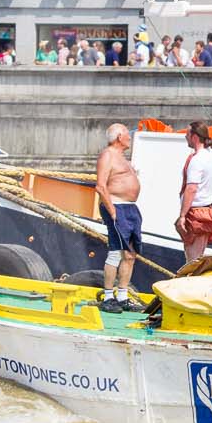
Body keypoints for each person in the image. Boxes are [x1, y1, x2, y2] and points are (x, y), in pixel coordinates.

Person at [95, 123, 144, 309]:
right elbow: (100, 185)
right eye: (127, 134)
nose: (130, 138)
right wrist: (112, 210)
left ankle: (123, 296)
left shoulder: (122, 157)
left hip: (130, 208)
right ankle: (108, 296)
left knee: (130, 254)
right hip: (117, 206)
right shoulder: (107, 155)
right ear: (118, 137)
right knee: (116, 252)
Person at [177, 120, 212, 263]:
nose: (185, 137)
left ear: (194, 137)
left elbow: (192, 188)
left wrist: (182, 215)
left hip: (196, 212)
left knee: (193, 258)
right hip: (208, 209)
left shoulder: (197, 159)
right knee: (196, 254)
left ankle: (190, 283)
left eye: (187, 134)